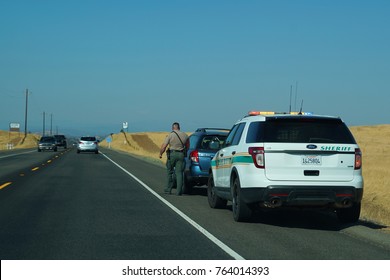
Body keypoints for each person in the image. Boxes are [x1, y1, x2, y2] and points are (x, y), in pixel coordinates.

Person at [159, 122, 189, 195]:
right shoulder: (185, 135)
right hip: (181, 154)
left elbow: (164, 146)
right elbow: (188, 146)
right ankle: (179, 191)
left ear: (173, 128)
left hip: (172, 154)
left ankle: (168, 189)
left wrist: (160, 154)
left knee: (170, 171)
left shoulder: (170, 135)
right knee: (179, 173)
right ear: (179, 127)